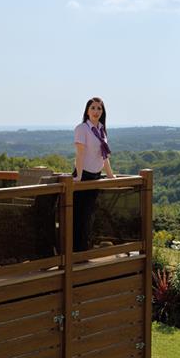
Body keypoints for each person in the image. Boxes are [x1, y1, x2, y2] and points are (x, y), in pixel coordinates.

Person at [72, 97, 115, 252]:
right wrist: (78, 176)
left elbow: (104, 157)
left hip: (96, 177)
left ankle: (84, 250)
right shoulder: (82, 129)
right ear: (87, 110)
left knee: (89, 216)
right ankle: (77, 252)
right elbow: (80, 154)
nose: (96, 111)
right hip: (84, 177)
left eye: (99, 108)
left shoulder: (101, 129)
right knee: (79, 216)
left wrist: (110, 176)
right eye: (93, 108)